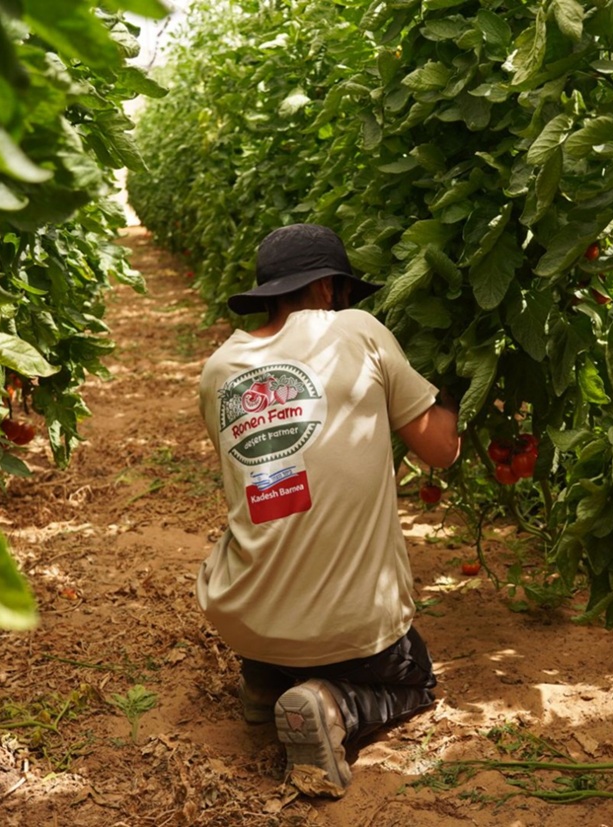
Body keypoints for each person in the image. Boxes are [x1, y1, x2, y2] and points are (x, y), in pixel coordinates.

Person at [195, 223, 461, 797]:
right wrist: (453, 388)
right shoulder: (358, 330)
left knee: (279, 522)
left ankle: (265, 679)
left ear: (270, 294)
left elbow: (273, 474)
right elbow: (441, 450)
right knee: (413, 676)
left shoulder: (220, 367)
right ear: (327, 290)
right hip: (353, 631)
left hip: (244, 617)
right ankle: (331, 703)